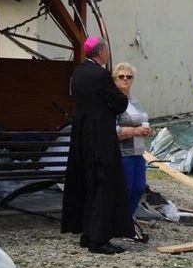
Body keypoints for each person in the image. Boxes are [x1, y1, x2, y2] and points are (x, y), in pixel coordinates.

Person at [61, 36, 134, 255]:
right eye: (107, 50)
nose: (109, 54)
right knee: (103, 185)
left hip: (81, 137)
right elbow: (120, 104)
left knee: (86, 183)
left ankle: (86, 233)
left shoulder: (79, 72)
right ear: (100, 52)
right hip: (100, 137)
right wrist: (120, 96)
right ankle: (99, 239)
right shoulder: (101, 75)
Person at [113, 62, 151, 237]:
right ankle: (119, 223)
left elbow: (140, 119)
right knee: (124, 189)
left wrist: (145, 130)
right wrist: (135, 131)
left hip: (138, 151)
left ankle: (125, 220)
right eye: (121, 76)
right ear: (114, 79)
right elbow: (111, 130)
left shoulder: (134, 99)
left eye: (129, 77)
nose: (126, 80)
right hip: (123, 153)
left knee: (138, 188)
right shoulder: (114, 101)